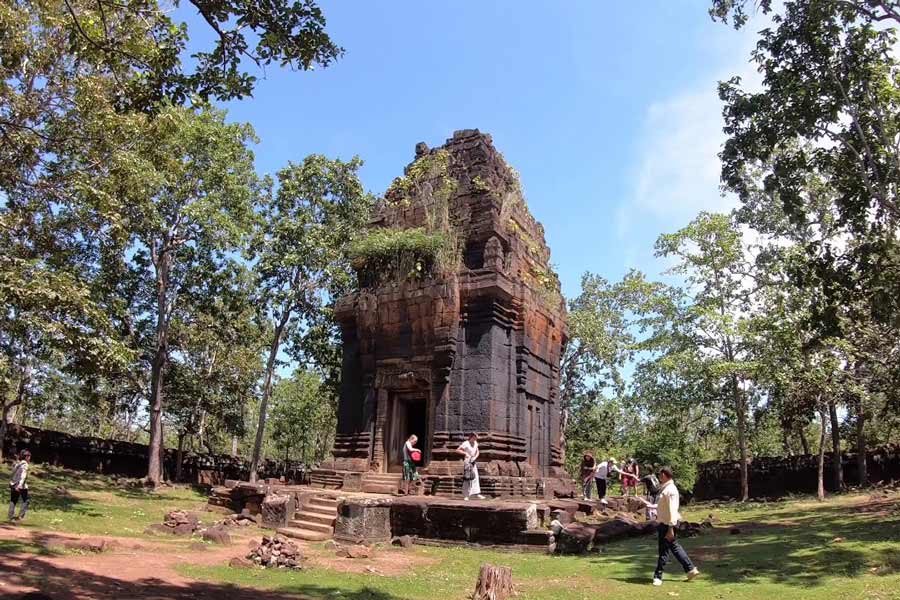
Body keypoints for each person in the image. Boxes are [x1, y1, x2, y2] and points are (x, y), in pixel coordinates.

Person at [641, 466, 700, 586]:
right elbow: (663, 507)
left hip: (668, 524)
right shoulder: (666, 488)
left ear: (664, 475)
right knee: (674, 547)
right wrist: (651, 506)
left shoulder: (671, 490)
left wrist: (670, 529)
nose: (658, 477)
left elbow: (673, 510)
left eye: (659, 475)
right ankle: (690, 569)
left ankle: (658, 576)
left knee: (664, 550)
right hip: (666, 522)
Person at [457, 433, 485, 500]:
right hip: (468, 461)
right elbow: (457, 450)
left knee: (475, 477)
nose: (476, 439)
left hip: (473, 461)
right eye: (475, 437)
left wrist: (475, 457)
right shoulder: (466, 443)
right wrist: (465, 453)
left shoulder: (475, 443)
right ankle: (466, 495)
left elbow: (477, 451)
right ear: (471, 437)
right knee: (468, 477)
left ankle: (477, 493)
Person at [8, 449, 31, 522]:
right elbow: (23, 476)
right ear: (26, 457)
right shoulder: (25, 465)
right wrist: (20, 485)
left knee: (13, 500)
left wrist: (13, 483)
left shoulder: (18, 463)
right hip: (20, 485)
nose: (30, 457)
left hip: (13, 483)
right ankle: (20, 517)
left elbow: (12, 473)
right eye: (29, 456)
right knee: (26, 500)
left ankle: (10, 517)